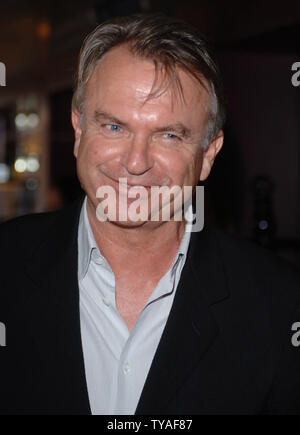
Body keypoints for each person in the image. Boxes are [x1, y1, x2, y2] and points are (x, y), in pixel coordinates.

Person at [1, 13, 300, 416]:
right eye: (113, 127)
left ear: (208, 154)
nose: (136, 162)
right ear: (78, 130)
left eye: (169, 135)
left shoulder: (280, 304)